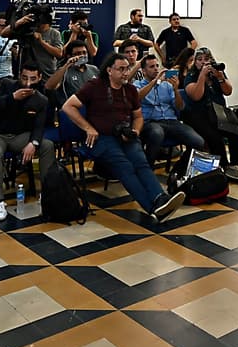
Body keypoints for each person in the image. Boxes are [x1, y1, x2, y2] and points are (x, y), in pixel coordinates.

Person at [62, 53, 185, 223]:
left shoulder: (130, 90)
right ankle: (153, 209)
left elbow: (139, 116)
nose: (126, 72)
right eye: (121, 69)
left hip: (125, 135)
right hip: (102, 138)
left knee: (141, 162)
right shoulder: (95, 85)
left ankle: (160, 198)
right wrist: (88, 128)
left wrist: (135, 131)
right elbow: (68, 107)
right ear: (109, 70)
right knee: (125, 167)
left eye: (127, 68)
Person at [0, 64, 53, 222]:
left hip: (19, 137)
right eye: (24, 78)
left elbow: (39, 126)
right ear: (19, 76)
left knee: (47, 145)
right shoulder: (6, 85)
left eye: (32, 79)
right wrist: (12, 98)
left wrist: (34, 143)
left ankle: (47, 196)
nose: (28, 83)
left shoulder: (41, 100)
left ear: (39, 78)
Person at [182, 47, 238, 183]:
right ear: (195, 62)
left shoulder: (217, 73)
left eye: (206, 59)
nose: (203, 63)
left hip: (218, 113)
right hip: (197, 115)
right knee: (214, 136)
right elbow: (196, 96)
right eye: (199, 60)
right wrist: (202, 77)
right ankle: (223, 165)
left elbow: (228, 91)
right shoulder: (191, 75)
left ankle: (234, 165)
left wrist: (220, 77)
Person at [134, 54, 205, 166]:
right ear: (143, 71)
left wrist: (176, 89)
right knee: (157, 133)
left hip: (171, 121)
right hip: (151, 122)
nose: (156, 69)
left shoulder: (166, 85)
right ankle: (147, 168)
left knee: (198, 142)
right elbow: (137, 98)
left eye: (157, 66)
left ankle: (180, 168)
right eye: (152, 67)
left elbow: (180, 107)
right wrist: (155, 81)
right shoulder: (137, 84)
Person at [14, 8, 65, 79]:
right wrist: (18, 22)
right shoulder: (28, 31)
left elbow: (59, 54)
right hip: (30, 73)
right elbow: (4, 34)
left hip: (48, 73)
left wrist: (41, 41)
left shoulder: (55, 33)